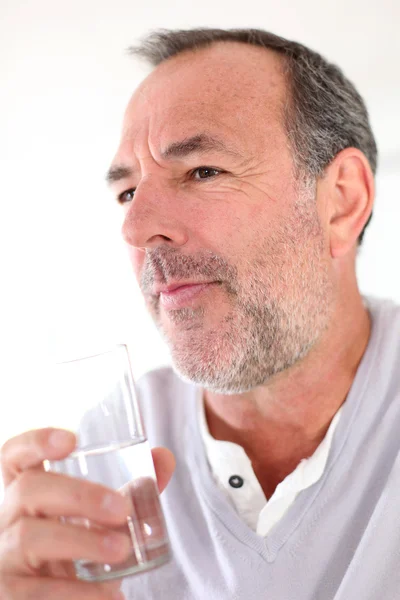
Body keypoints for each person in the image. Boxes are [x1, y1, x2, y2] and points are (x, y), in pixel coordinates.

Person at [1, 27, 399, 600]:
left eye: (202, 171)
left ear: (342, 201)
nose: (136, 229)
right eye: (127, 192)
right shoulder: (102, 454)